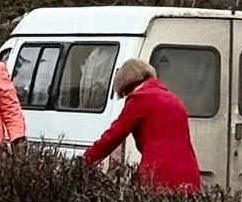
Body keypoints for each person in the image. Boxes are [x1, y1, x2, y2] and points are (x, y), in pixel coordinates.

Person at [80, 58, 203, 192]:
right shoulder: (174, 99)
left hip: (160, 175)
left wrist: (84, 162)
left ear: (126, 86)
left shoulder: (140, 99)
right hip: (190, 176)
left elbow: (112, 137)